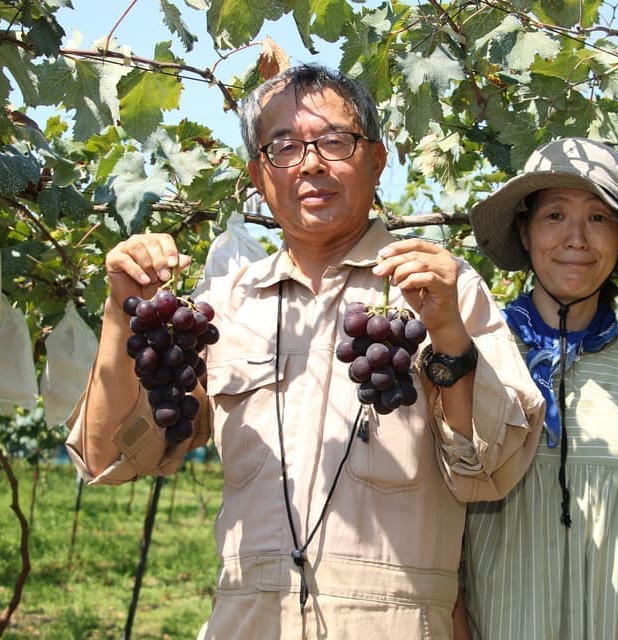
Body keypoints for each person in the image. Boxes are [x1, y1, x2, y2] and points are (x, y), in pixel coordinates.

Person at [64, 63, 545, 639]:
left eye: (334, 141)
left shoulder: (439, 288)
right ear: (258, 177)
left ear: (376, 160)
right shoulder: (223, 305)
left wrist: (446, 335)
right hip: (249, 620)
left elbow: (491, 468)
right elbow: (111, 459)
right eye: (283, 147)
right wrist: (121, 315)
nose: (310, 162)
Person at [457, 138, 618, 640]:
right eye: (555, 215)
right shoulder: (477, 356)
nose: (577, 238)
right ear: (525, 230)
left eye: (599, 218)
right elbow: (441, 525)